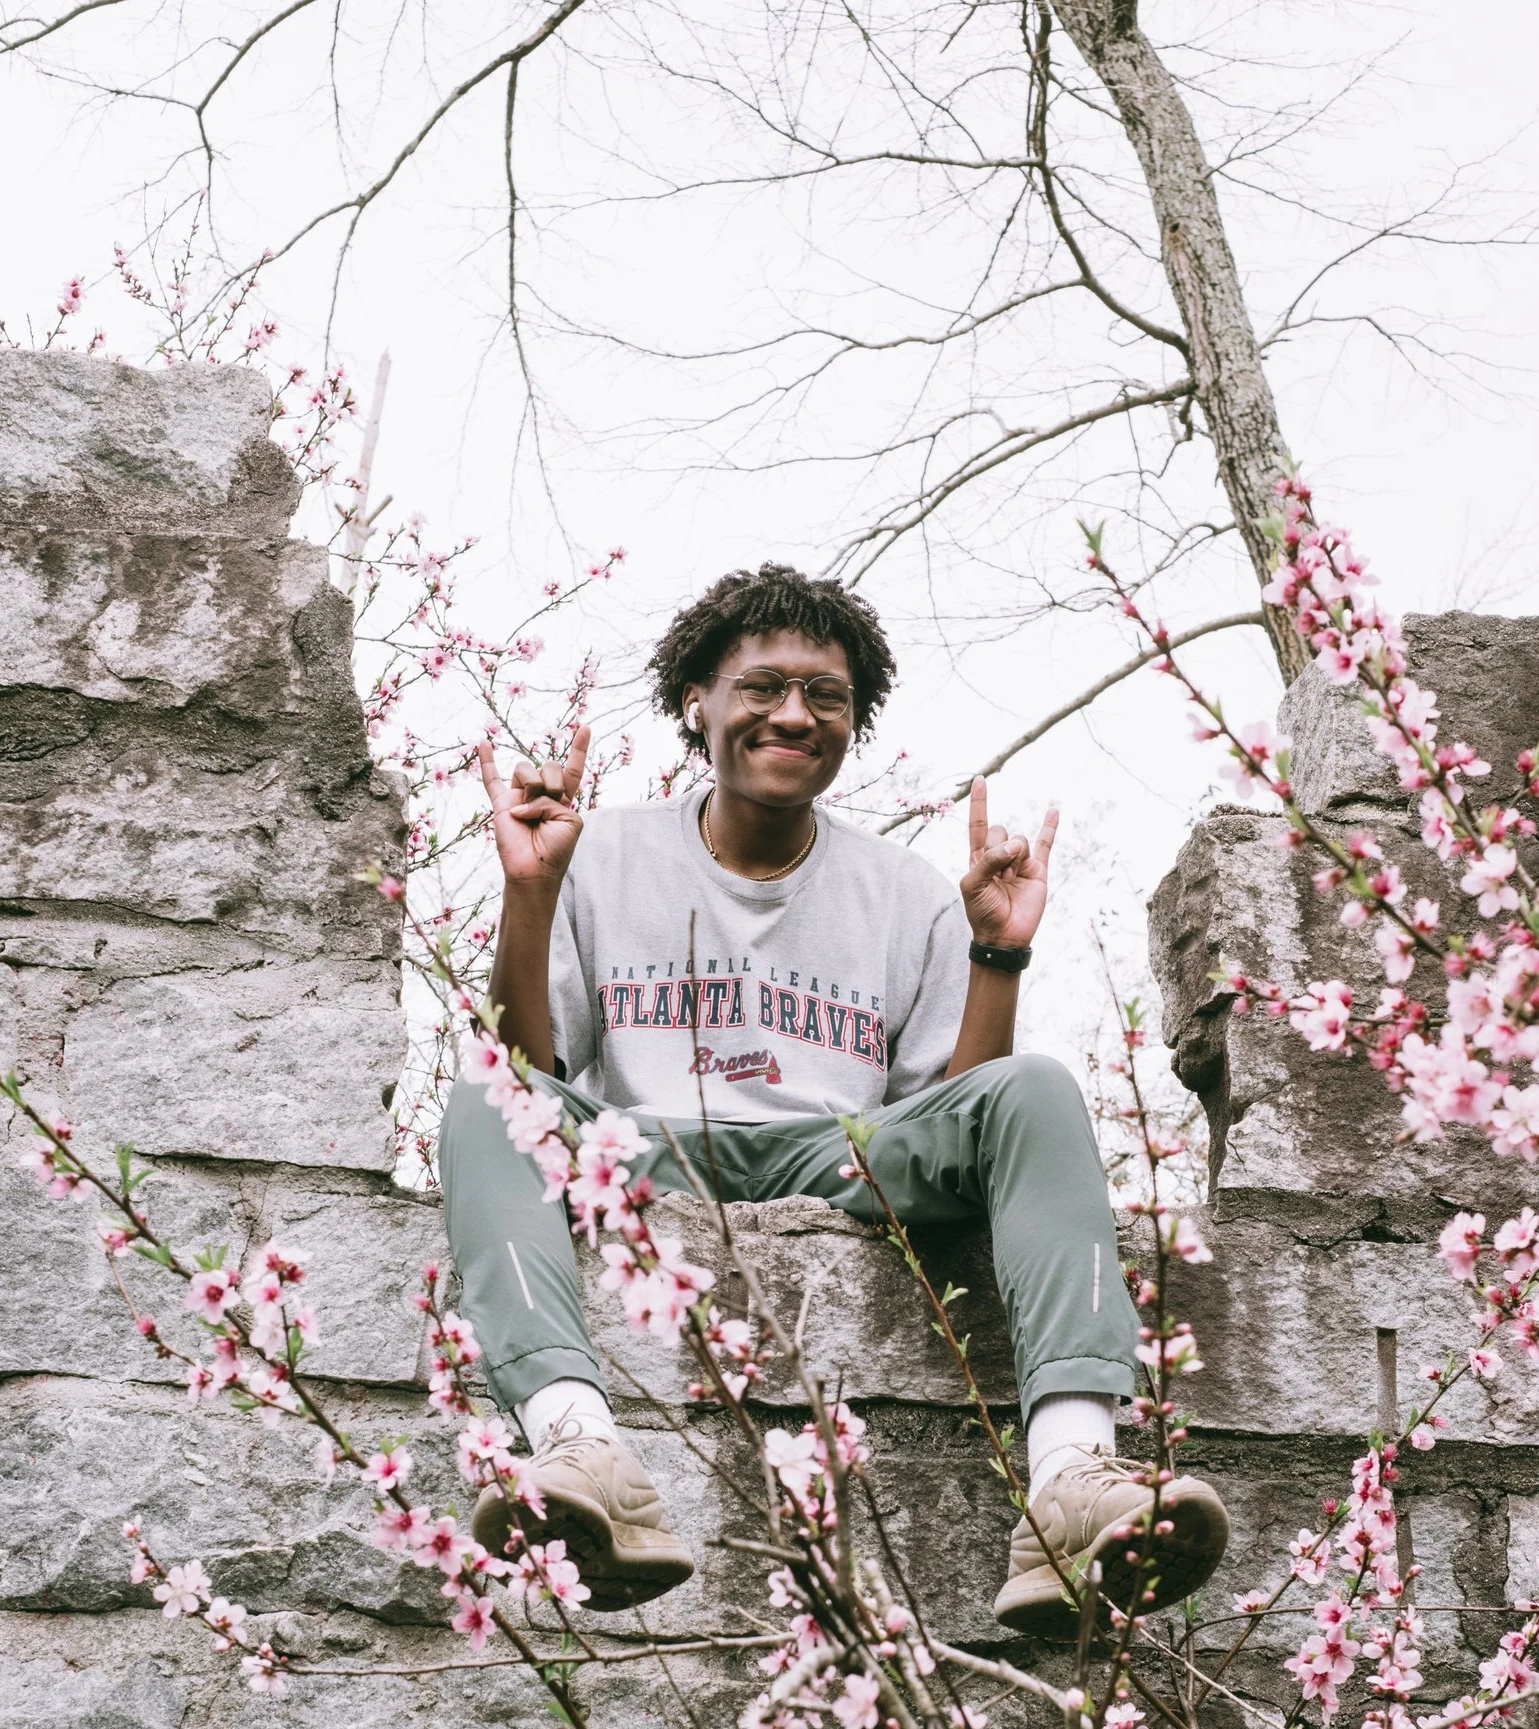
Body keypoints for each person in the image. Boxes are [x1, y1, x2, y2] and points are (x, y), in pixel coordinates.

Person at [439, 562, 1229, 1629]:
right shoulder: (603, 851)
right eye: (762, 686)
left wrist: (995, 955)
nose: (793, 714)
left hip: (840, 1151)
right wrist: (531, 891)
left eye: (826, 696)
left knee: (1036, 1084)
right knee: (484, 1086)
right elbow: (527, 1070)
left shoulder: (905, 893)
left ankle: (1070, 1480)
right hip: (643, 1143)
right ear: (697, 703)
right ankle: (581, 1450)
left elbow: (960, 1124)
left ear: (852, 723)